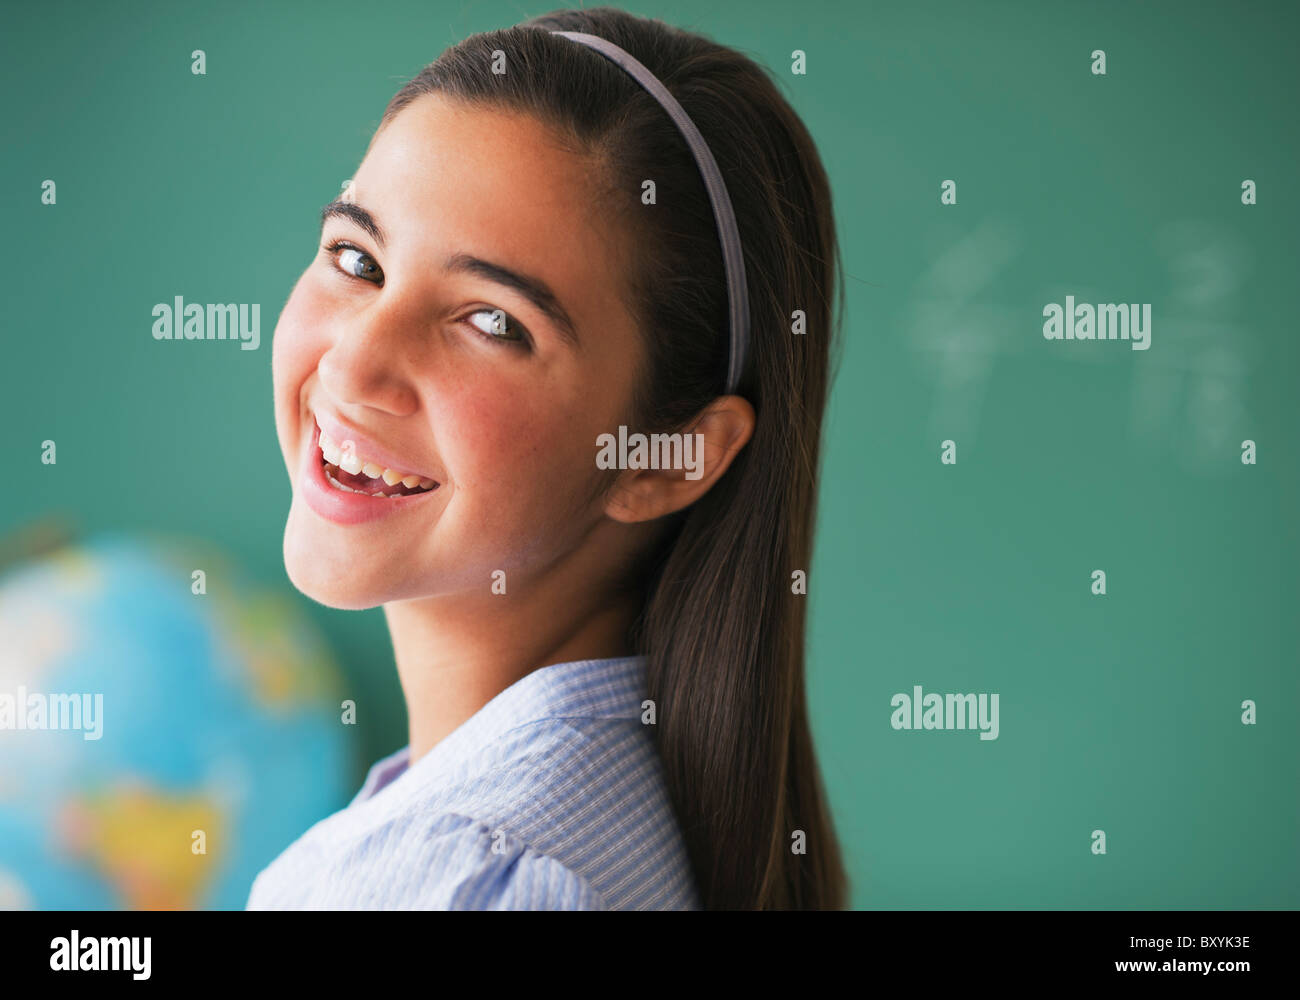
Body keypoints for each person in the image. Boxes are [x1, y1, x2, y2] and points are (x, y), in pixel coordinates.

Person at [247, 5, 846, 910]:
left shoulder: (461, 875)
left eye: (492, 322)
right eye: (358, 259)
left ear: (669, 458)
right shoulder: (616, 807)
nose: (357, 364)